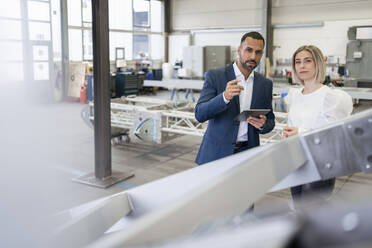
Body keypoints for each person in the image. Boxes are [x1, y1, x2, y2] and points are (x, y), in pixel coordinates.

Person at [283, 45, 353, 205]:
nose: (301, 66)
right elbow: (293, 124)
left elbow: (335, 134)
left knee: (315, 212)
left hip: (320, 161)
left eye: (308, 61)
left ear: (318, 64)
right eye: (297, 62)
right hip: (296, 160)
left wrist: (300, 131)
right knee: (299, 208)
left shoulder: (330, 97)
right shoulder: (295, 95)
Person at [195, 32, 275, 165]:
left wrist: (263, 125)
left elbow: (270, 120)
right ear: (239, 50)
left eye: (258, 52)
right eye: (248, 50)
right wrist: (224, 97)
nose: (253, 56)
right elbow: (200, 114)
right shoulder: (216, 76)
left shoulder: (265, 84)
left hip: (248, 155)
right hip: (216, 154)